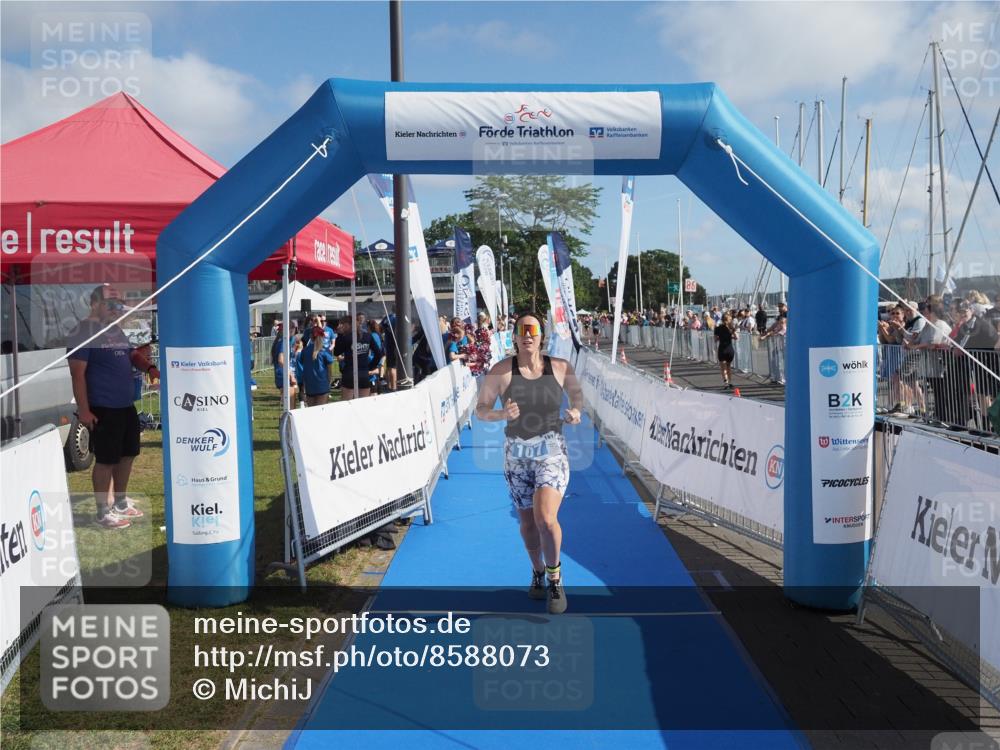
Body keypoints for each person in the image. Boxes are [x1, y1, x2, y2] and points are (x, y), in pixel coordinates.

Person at [475, 312, 584, 615]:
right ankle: (537, 570)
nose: (527, 336)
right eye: (521, 331)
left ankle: (555, 578)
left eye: (532, 331)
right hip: (517, 456)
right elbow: (481, 409)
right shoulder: (501, 371)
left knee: (545, 518)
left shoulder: (560, 367)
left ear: (541, 337)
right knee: (527, 524)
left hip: (552, 452)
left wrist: (576, 411)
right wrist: (501, 414)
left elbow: (577, 396)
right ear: (514, 337)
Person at [68, 285, 158, 529]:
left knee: (128, 454)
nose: (117, 308)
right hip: (103, 407)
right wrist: (84, 410)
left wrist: (149, 367)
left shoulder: (115, 329)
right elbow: (77, 375)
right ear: (94, 303)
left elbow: (131, 355)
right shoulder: (82, 332)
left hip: (125, 405)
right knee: (106, 460)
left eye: (119, 304)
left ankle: (120, 502)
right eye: (111, 303)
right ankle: (103, 512)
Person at [333, 316, 381, 400]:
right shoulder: (367, 336)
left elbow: (336, 352)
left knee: (347, 403)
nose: (341, 327)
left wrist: (339, 335)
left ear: (347, 325)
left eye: (342, 324)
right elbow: (379, 353)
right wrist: (371, 366)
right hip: (363, 373)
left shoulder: (346, 338)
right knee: (363, 403)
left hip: (350, 373)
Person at [300, 326, 335, 406]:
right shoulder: (325, 351)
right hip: (322, 386)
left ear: (311, 337)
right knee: (321, 411)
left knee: (312, 411)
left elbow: (303, 364)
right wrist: (329, 384)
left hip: (309, 386)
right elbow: (329, 371)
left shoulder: (305, 351)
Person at [715, 311, 738, 389]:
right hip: (730, 349)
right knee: (728, 366)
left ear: (722, 320)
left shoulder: (717, 328)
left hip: (722, 349)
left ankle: (726, 382)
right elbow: (736, 337)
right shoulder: (731, 328)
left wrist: (721, 337)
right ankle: (730, 382)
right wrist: (730, 336)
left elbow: (715, 339)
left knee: (723, 367)